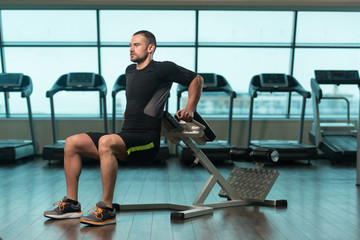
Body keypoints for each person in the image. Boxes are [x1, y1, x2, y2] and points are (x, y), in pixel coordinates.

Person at [44, 30, 204, 226]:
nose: (131, 49)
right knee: (72, 142)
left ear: (151, 48)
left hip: (146, 142)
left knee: (106, 141)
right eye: (130, 45)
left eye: (137, 45)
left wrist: (189, 108)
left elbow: (197, 79)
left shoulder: (163, 69)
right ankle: (71, 204)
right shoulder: (129, 71)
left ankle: (107, 209)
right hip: (126, 137)